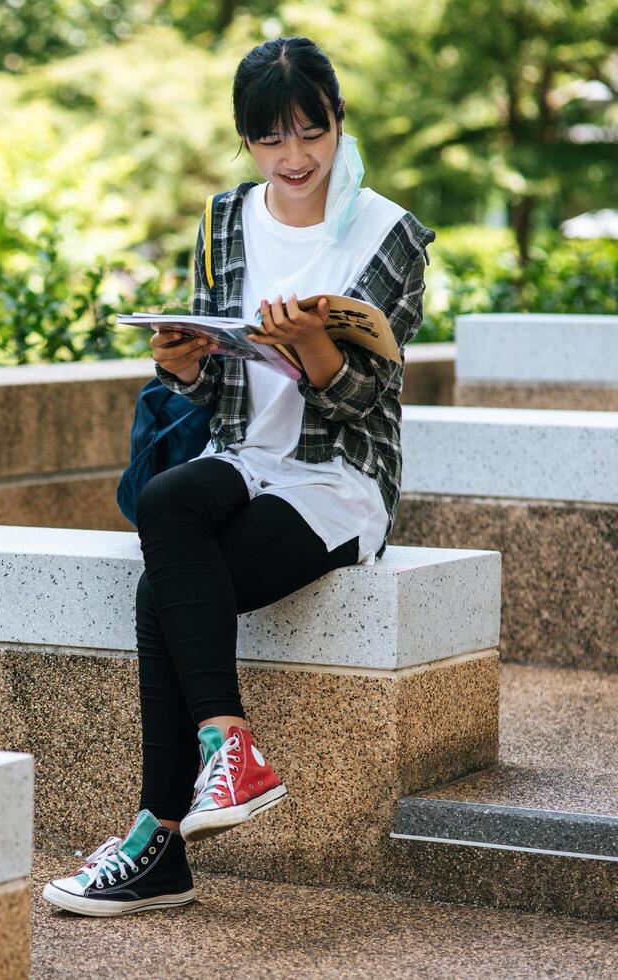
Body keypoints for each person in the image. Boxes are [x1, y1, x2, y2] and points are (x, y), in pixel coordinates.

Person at [41, 35, 437, 917]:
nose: (293, 159)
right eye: (269, 141)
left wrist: (312, 350)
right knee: (168, 499)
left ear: (338, 120)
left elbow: (366, 395)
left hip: (337, 475)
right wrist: (181, 363)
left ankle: (158, 841)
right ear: (245, 141)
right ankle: (231, 749)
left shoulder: (389, 233)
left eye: (310, 133)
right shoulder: (226, 218)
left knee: (161, 593)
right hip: (241, 453)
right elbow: (216, 380)